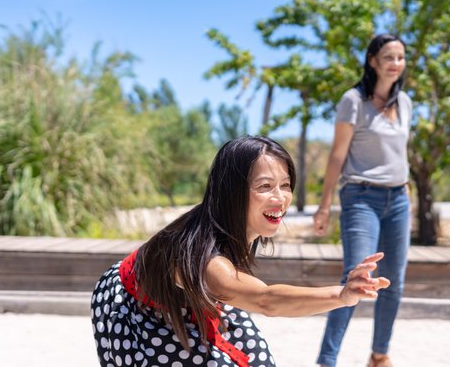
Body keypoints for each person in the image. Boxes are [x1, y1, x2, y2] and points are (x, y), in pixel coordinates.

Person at [91, 135, 390, 367]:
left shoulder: (235, 221)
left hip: (191, 298)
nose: (280, 198)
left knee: (257, 360)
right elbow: (266, 300)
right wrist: (341, 295)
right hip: (134, 305)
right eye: (265, 186)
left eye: (285, 185)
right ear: (232, 192)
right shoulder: (205, 260)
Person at [313, 34, 412, 367]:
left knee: (394, 283)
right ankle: (327, 361)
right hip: (360, 198)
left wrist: (406, 191)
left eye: (400, 57)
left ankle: (379, 355)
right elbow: (337, 156)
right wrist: (325, 205)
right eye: (388, 57)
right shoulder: (353, 101)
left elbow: (401, 154)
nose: (395, 63)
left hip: (398, 199)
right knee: (355, 278)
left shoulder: (406, 103)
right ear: (372, 61)